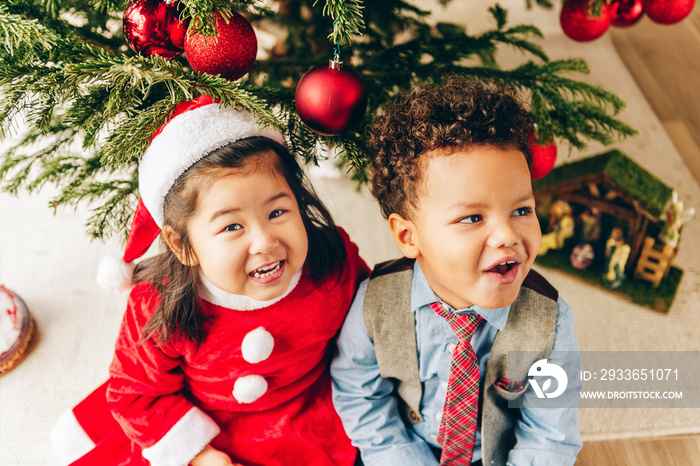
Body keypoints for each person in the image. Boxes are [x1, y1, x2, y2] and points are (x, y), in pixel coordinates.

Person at [51, 96, 370, 466]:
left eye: (278, 211)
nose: (265, 242)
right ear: (182, 245)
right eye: (232, 226)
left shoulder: (333, 264)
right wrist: (199, 455)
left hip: (310, 409)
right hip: (202, 417)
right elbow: (137, 391)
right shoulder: (157, 303)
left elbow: (368, 326)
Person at [331, 78, 582, 466]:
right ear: (407, 235)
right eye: (472, 217)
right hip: (404, 450)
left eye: (522, 210)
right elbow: (359, 393)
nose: (507, 235)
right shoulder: (376, 301)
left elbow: (550, 436)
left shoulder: (550, 322)